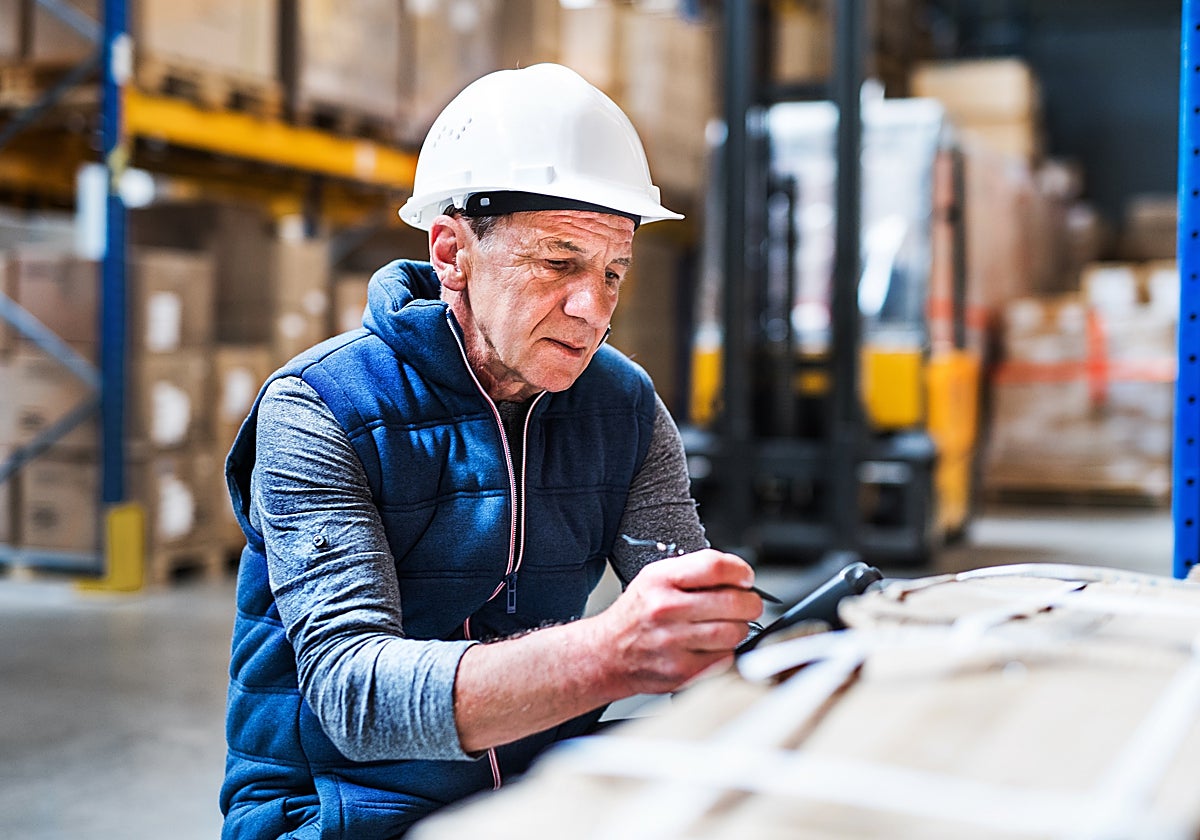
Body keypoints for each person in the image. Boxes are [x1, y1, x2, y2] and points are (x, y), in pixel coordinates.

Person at [219, 63, 762, 839]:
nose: (594, 309)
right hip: (339, 806)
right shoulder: (323, 407)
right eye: (559, 262)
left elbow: (690, 618)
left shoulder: (624, 407)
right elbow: (355, 698)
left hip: (539, 791)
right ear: (451, 253)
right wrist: (610, 651)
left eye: (614, 273)